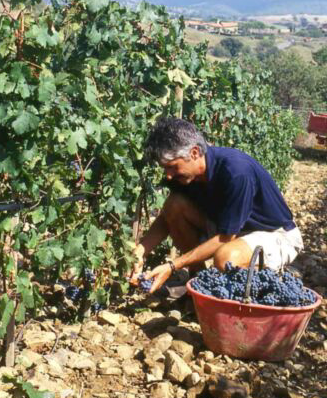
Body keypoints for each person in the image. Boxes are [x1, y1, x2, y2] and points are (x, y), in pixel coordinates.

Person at [129, 117, 303, 294]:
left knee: (226, 258)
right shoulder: (185, 176)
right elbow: (167, 217)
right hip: (230, 230)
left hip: (273, 234)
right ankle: (198, 283)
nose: (168, 175)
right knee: (174, 205)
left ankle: (274, 281)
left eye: (172, 167)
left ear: (194, 153)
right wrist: (141, 251)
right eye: (165, 169)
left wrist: (173, 266)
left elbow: (226, 238)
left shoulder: (235, 171)